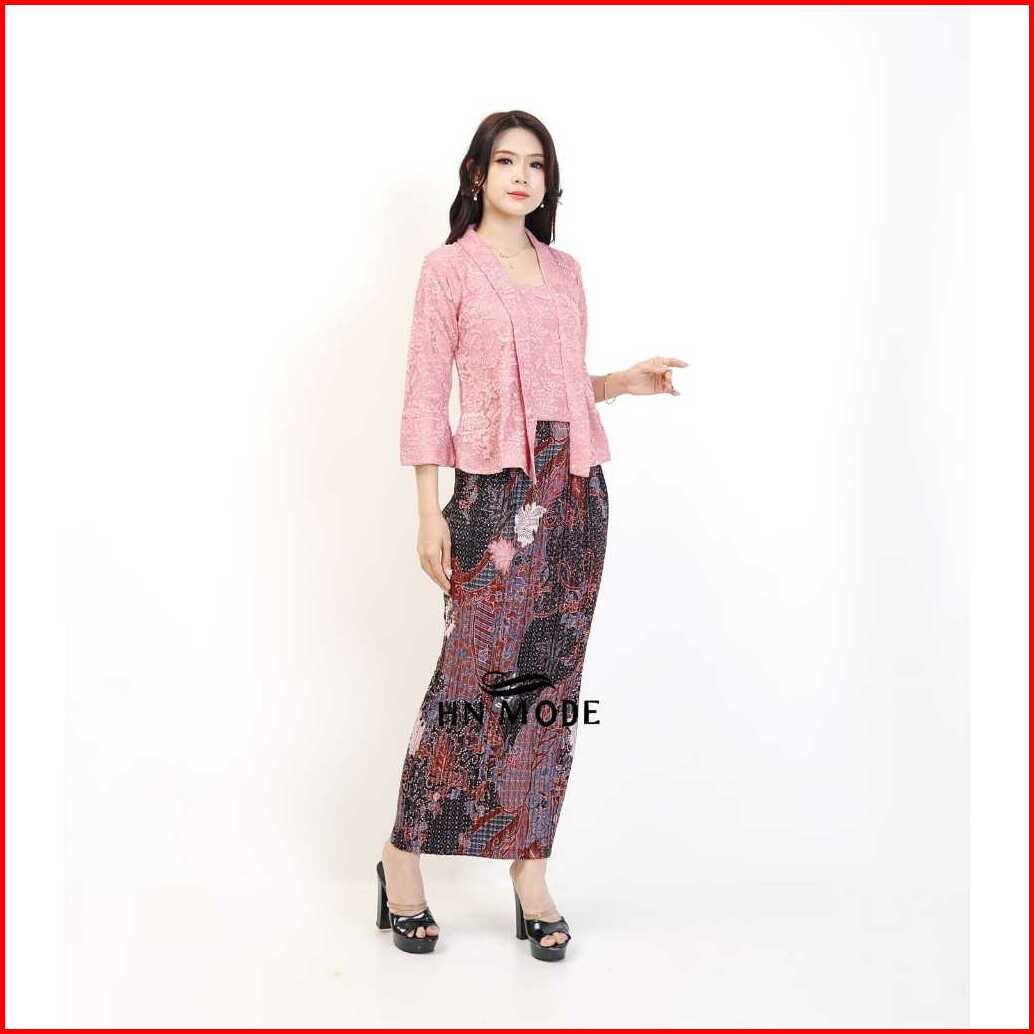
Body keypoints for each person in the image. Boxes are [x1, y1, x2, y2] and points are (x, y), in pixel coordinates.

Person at [376, 110, 686, 960]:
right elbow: (423, 394)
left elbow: (558, 385)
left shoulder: (566, 271)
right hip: (493, 498)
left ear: (549, 181)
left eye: (536, 164)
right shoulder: (447, 270)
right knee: (470, 678)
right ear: (478, 174)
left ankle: (531, 869)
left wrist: (618, 382)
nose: (522, 176)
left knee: (549, 684)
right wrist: (427, 511)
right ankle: (402, 856)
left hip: (575, 491)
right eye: (507, 161)